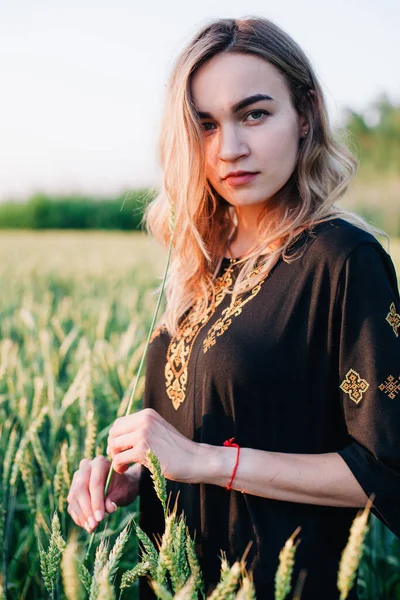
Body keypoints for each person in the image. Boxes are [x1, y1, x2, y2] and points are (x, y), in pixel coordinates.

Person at [66, 17, 400, 600]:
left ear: (306, 114)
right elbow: (199, 429)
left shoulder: (345, 260)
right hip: (174, 582)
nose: (230, 149)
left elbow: (383, 468)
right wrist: (135, 475)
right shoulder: (197, 260)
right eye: (205, 125)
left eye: (255, 114)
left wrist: (204, 462)